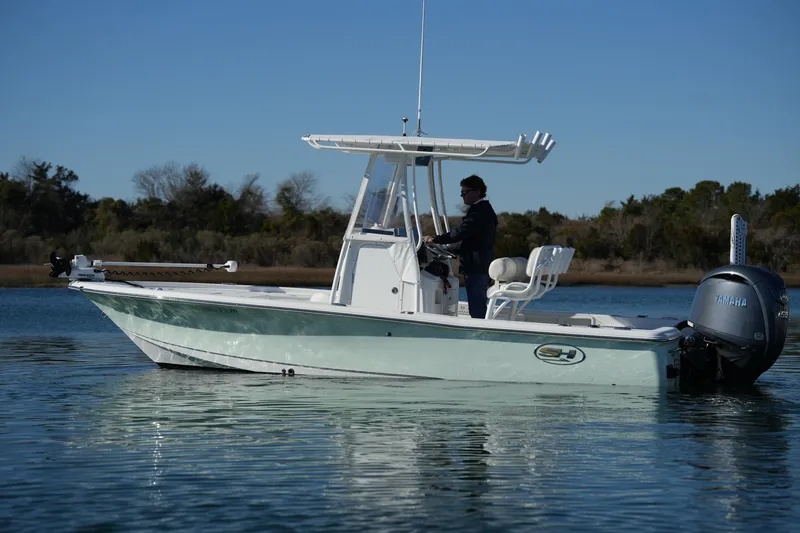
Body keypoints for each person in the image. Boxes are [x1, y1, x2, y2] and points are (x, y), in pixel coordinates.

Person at [423, 174, 498, 319]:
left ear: (476, 192)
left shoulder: (478, 212)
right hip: (482, 264)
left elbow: (461, 232)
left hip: (476, 266)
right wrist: (450, 249)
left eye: (465, 192)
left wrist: (435, 239)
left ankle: (480, 333)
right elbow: (474, 238)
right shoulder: (485, 209)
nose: (462, 196)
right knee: (479, 303)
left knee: (477, 307)